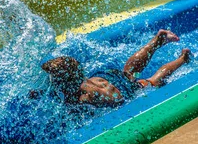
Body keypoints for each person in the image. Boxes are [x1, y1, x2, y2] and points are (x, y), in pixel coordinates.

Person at [36, 30, 192, 107]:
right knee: (129, 72)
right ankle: (156, 41)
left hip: (122, 93)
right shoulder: (81, 81)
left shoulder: (81, 97)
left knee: (153, 81)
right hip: (104, 77)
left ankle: (182, 59)